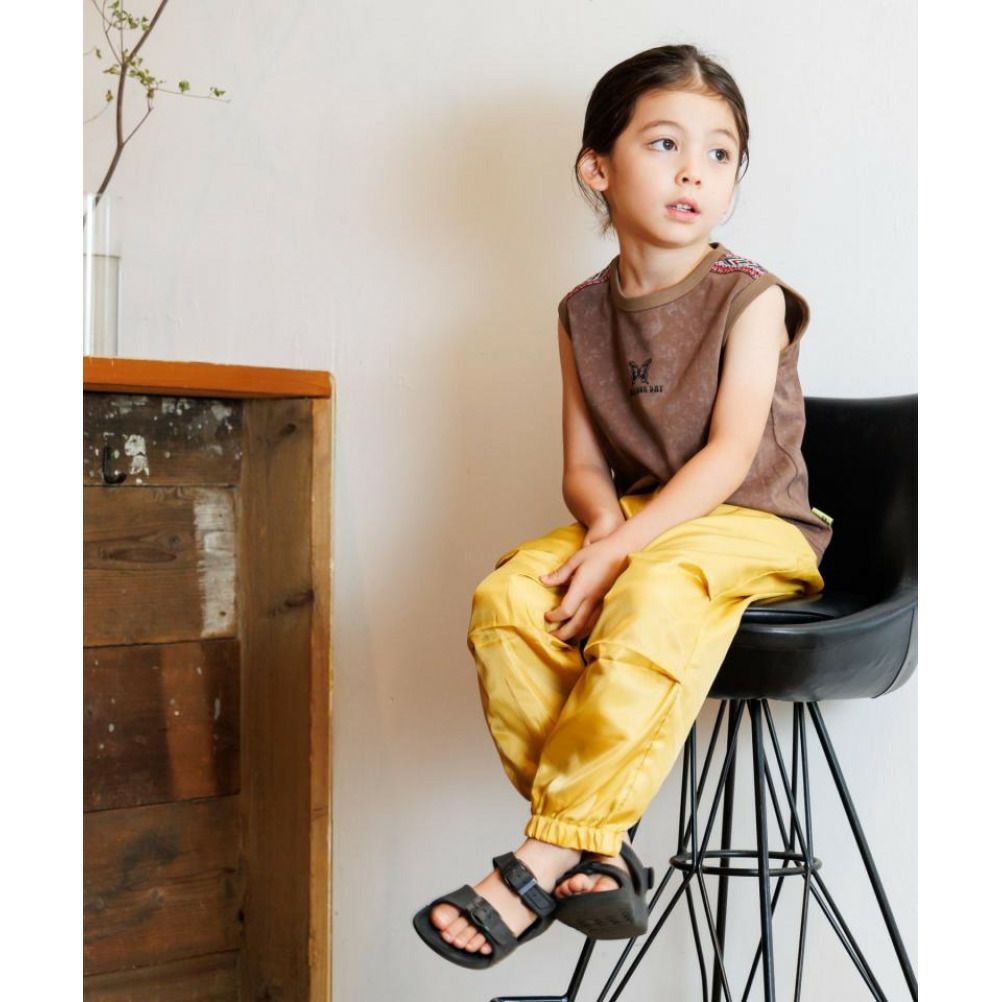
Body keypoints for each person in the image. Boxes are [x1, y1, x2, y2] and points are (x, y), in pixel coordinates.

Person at [412, 42, 834, 969]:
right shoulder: (579, 311)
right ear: (597, 168)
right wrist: (605, 532)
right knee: (509, 599)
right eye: (665, 143)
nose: (694, 171)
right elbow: (582, 463)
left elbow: (729, 457)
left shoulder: (751, 297)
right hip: (642, 518)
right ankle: (594, 850)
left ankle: (541, 857)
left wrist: (624, 552)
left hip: (753, 524)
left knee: (649, 593)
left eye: (720, 153)